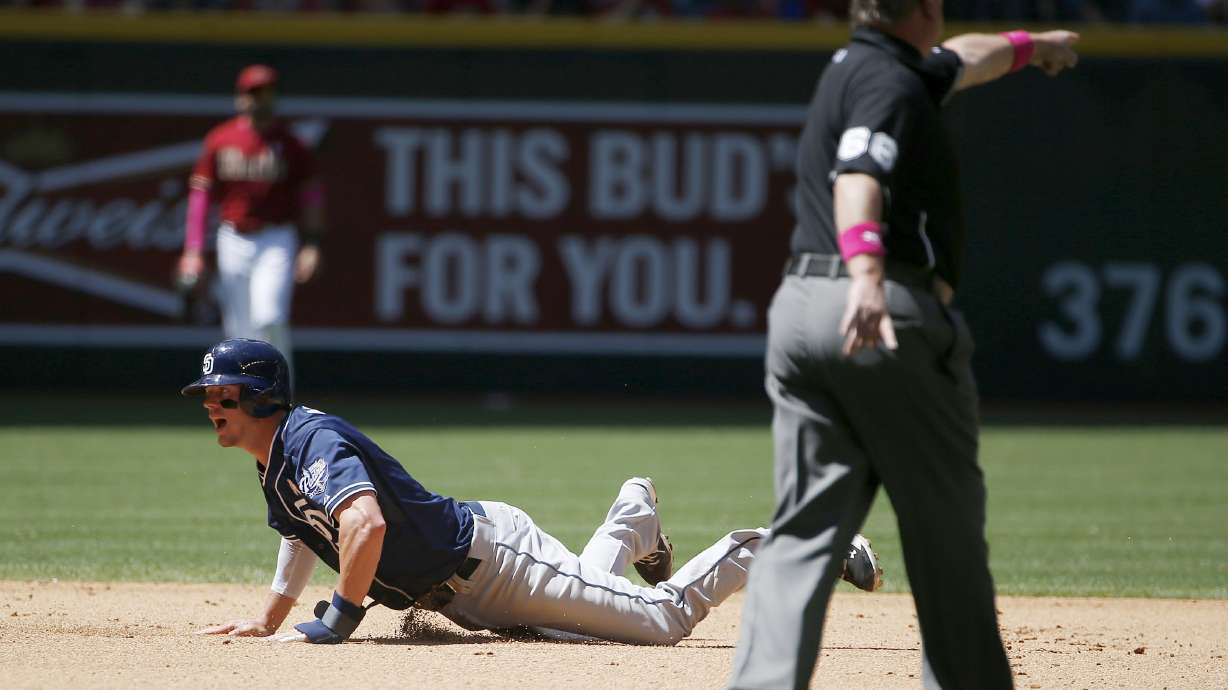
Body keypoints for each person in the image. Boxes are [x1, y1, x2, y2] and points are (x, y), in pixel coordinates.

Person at [727, 4, 1080, 689]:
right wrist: (866, 271)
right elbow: (858, 175)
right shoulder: (891, 86)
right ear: (922, 11)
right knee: (944, 536)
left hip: (800, 313)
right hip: (882, 310)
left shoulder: (867, 66)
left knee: (800, 538)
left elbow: (966, 56)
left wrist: (1033, 46)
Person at [185, 338, 882, 646]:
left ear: (264, 394)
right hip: (476, 593)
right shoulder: (276, 461)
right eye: (208, 395)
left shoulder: (312, 441)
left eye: (225, 394)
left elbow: (362, 525)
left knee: (662, 621)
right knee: (577, 618)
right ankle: (634, 514)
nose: (212, 404)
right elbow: (306, 535)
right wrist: (273, 617)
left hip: (497, 564)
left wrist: (339, 618)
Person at [175, 65, 325, 378]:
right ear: (239, 97)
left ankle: (281, 400)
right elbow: (200, 196)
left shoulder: (291, 144)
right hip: (233, 237)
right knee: (239, 331)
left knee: (270, 316)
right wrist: (193, 250)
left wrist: (311, 242)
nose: (258, 99)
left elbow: (310, 196)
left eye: (265, 92)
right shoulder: (221, 139)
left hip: (276, 237)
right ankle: (245, 405)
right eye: (252, 92)